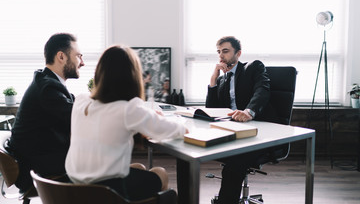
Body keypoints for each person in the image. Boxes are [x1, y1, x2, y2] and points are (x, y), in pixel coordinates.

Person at [65, 45, 188, 201]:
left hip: (74, 188)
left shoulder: (81, 101)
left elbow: (107, 125)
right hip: (107, 193)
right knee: (160, 173)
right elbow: (176, 130)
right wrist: (178, 121)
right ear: (133, 76)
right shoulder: (128, 109)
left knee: (140, 168)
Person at [176, 36, 277, 204]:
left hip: (257, 133)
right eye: (218, 52)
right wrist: (213, 80)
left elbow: (262, 91)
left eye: (225, 51)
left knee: (234, 166)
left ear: (238, 53)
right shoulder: (223, 79)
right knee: (185, 154)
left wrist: (249, 111)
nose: (221, 56)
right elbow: (211, 110)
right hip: (232, 131)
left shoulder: (253, 68)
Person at [6, 33, 85, 193]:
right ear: (61, 56)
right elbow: (77, 118)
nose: (82, 63)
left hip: (37, 160)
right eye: (78, 56)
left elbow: (73, 106)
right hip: (35, 170)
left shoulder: (47, 82)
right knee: (97, 164)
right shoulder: (48, 88)